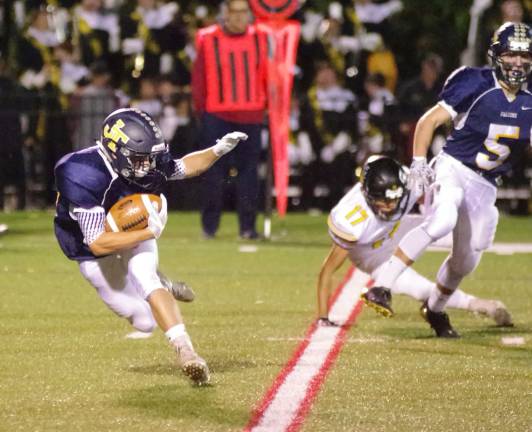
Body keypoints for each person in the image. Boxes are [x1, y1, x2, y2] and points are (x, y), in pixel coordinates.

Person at [54, 107, 248, 384]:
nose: (147, 166)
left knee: (145, 277)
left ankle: (186, 351)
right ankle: (164, 284)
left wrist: (218, 149)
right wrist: (148, 232)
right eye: (139, 159)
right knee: (142, 321)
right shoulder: (82, 173)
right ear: (115, 152)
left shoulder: (145, 161)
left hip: (131, 224)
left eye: (150, 158)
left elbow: (184, 167)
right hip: (89, 247)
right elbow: (98, 243)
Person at [362, 22, 531, 338]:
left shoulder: (529, 97)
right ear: (497, 55)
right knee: (444, 218)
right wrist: (419, 165)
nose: (518, 63)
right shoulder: (476, 82)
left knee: (464, 262)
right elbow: (428, 122)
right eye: (511, 54)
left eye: (525, 55)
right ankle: (382, 286)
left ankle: (435, 309)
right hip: (453, 167)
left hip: (485, 187)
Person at [316, 156, 512, 328]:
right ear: (368, 195)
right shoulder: (352, 219)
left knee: (454, 229)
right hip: (372, 255)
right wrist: (323, 317)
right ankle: (480, 305)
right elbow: (328, 270)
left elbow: (428, 199)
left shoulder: (409, 183)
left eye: (394, 199)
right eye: (383, 201)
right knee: (421, 289)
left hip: (396, 229)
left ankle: (464, 262)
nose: (390, 206)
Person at [191, 0, 270, 239]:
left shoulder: (261, 37)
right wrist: (201, 111)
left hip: (251, 114)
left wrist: (268, 106)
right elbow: (199, 77)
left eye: (243, 12)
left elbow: (269, 73)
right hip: (217, 115)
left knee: (249, 174)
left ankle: (248, 227)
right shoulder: (206, 38)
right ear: (224, 15)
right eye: (234, 13)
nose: (239, 17)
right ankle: (210, 227)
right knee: (213, 171)